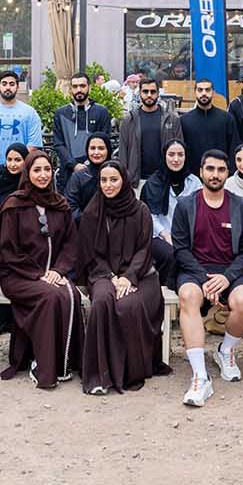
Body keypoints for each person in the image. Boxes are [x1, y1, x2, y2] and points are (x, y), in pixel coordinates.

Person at [171, 149, 243, 407]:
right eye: (210, 169)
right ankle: (200, 376)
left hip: (232, 271)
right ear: (201, 172)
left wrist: (227, 277)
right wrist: (203, 279)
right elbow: (180, 249)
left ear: (227, 173)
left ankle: (226, 351)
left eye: (221, 170)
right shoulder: (186, 206)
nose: (215, 174)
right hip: (195, 270)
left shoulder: (240, 206)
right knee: (188, 296)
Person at [0, 149, 83, 389]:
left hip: (53, 274)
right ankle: (43, 365)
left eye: (47, 169)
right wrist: (38, 274)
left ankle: (64, 362)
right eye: (37, 170)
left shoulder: (60, 205)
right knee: (51, 296)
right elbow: (9, 251)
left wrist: (58, 270)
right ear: (28, 173)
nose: (43, 175)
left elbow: (70, 245)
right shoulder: (13, 205)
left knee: (71, 295)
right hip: (18, 274)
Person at [80, 161, 169, 394]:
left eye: (113, 179)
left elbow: (144, 249)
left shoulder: (140, 210)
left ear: (124, 181)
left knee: (127, 305)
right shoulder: (92, 212)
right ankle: (99, 375)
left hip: (141, 275)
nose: (108, 185)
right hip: (102, 274)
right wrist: (111, 277)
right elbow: (91, 254)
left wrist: (128, 277)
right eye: (103, 180)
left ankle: (130, 371)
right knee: (101, 301)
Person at [140, 139, 199, 283]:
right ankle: (168, 286)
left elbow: (200, 214)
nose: (176, 159)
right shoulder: (152, 183)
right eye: (171, 154)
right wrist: (165, 234)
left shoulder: (195, 183)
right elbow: (149, 216)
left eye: (180, 155)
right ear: (164, 156)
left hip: (188, 236)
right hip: (159, 236)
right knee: (172, 255)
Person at [116, 75, 183, 184]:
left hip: (164, 180)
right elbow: (123, 152)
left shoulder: (172, 119)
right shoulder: (129, 119)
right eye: (145, 91)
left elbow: (180, 150)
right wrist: (125, 177)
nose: (149, 95)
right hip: (136, 180)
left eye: (153, 92)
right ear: (140, 93)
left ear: (158, 93)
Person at [52, 71, 113, 190]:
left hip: (95, 172)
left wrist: (88, 165)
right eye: (75, 86)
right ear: (70, 89)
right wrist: (74, 165)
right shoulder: (61, 113)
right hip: (68, 172)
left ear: (89, 87)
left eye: (82, 86)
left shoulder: (101, 112)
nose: (79, 90)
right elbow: (58, 144)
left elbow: (105, 141)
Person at [180, 77, 239, 167]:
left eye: (207, 90)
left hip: (220, 172)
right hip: (193, 173)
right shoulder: (184, 120)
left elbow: (233, 148)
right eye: (200, 90)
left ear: (213, 93)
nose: (204, 93)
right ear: (195, 92)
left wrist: (230, 171)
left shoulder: (227, 119)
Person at [63, 132, 112, 221]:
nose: (96, 152)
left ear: (108, 150)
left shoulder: (116, 173)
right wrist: (88, 221)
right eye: (92, 148)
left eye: (101, 148)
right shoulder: (79, 176)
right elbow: (70, 205)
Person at [0, 142, 30, 215]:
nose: (12, 164)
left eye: (17, 160)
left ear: (26, 161)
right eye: (9, 160)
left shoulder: (29, 182)